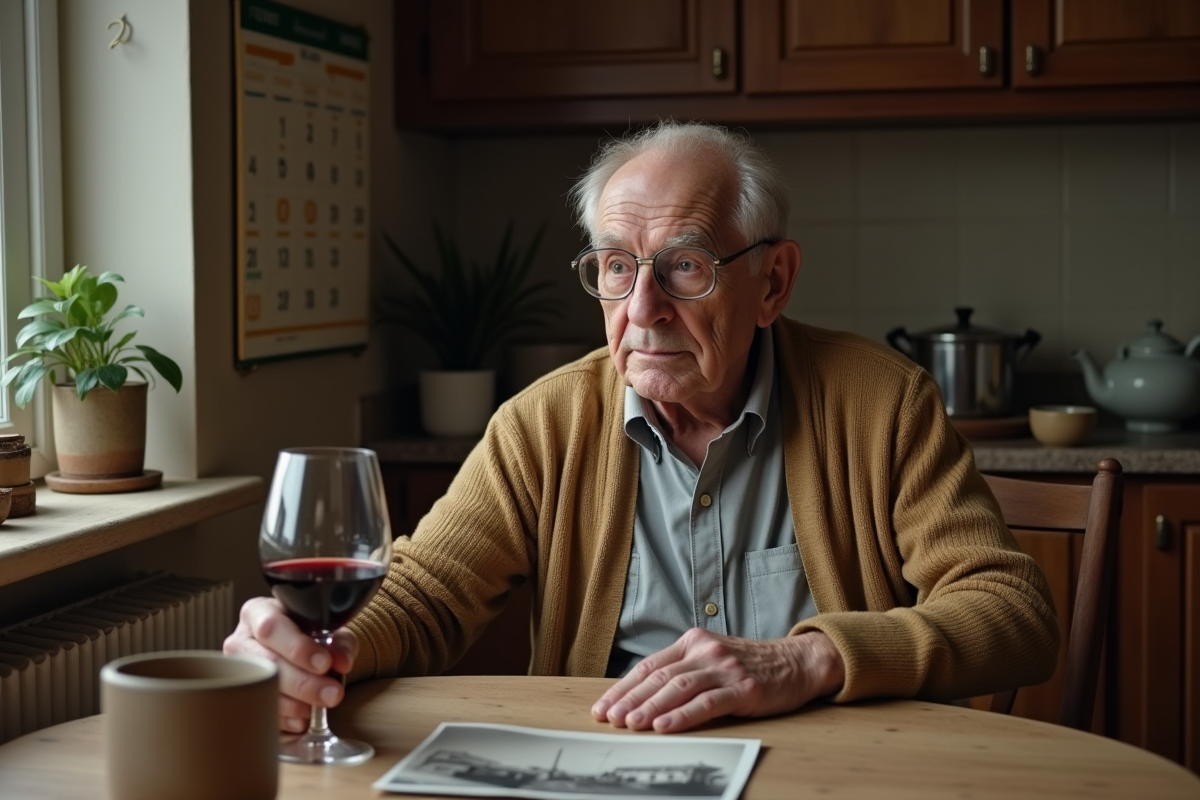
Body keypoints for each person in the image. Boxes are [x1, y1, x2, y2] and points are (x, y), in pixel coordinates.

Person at [226, 120, 1059, 735]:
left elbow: (1012, 611)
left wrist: (805, 659)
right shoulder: (542, 425)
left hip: (834, 776)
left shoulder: (883, 404)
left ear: (773, 282)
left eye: (686, 266)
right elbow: (426, 593)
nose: (643, 309)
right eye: (618, 267)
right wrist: (311, 650)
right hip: (610, 772)